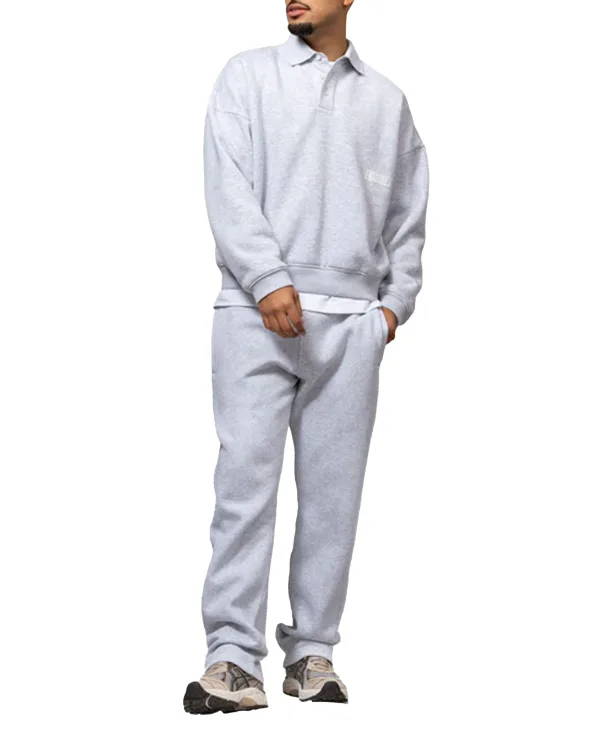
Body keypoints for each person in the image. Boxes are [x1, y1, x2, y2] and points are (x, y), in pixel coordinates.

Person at [183, 0, 429, 714]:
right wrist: (266, 278)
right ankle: (232, 659)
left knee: (333, 499)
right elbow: (226, 182)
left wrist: (392, 307)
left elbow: (409, 213)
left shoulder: (387, 101)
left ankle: (313, 652)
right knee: (244, 491)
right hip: (252, 315)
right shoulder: (247, 75)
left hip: (351, 324)